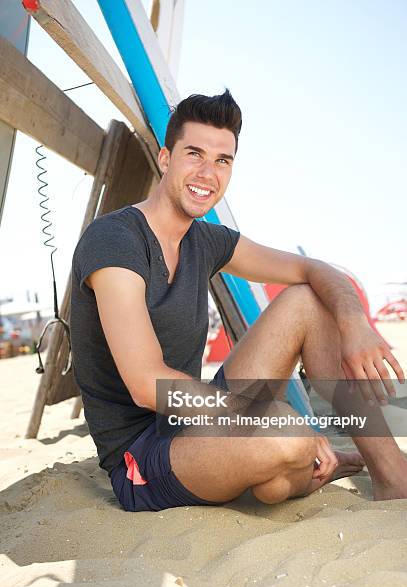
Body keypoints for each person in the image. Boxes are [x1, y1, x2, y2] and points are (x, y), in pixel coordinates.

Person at [70, 90, 406, 512]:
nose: (207, 173)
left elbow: (313, 269)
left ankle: (392, 475)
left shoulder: (205, 239)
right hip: (144, 454)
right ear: (165, 158)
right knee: (284, 436)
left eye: (222, 160)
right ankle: (292, 467)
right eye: (194, 153)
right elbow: (146, 385)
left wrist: (355, 324)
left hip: (197, 423)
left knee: (307, 300)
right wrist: (261, 416)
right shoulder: (115, 239)